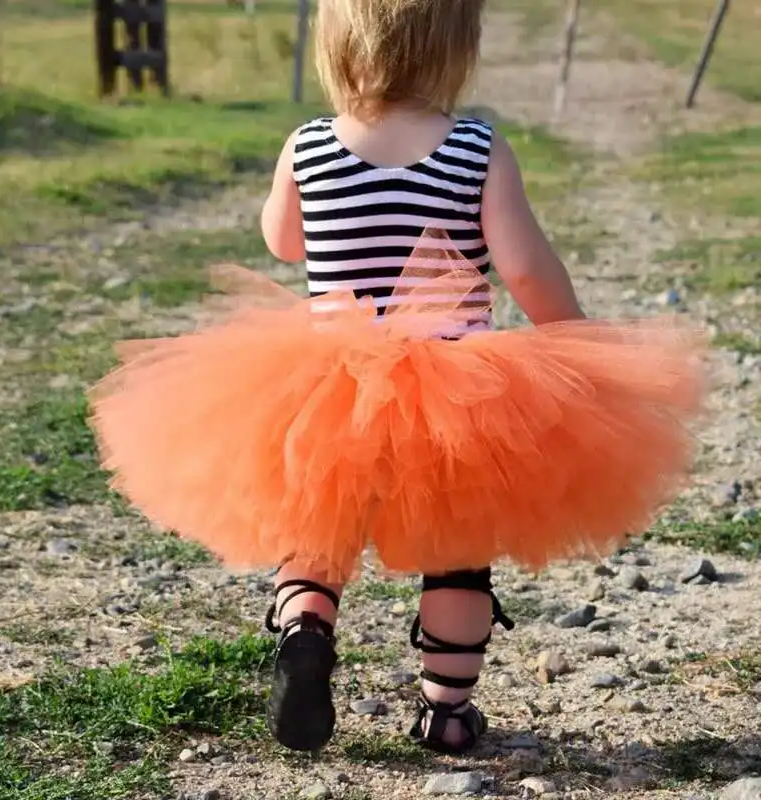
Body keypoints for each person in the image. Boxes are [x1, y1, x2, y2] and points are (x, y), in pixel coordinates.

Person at [90, 0, 705, 758]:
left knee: (319, 524)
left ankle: (305, 628)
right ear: (456, 45)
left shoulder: (308, 145)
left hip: (331, 385)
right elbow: (524, 267)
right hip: (456, 392)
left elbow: (282, 241)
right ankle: (447, 712)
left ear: (337, 42)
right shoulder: (477, 148)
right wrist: (575, 335)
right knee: (457, 547)